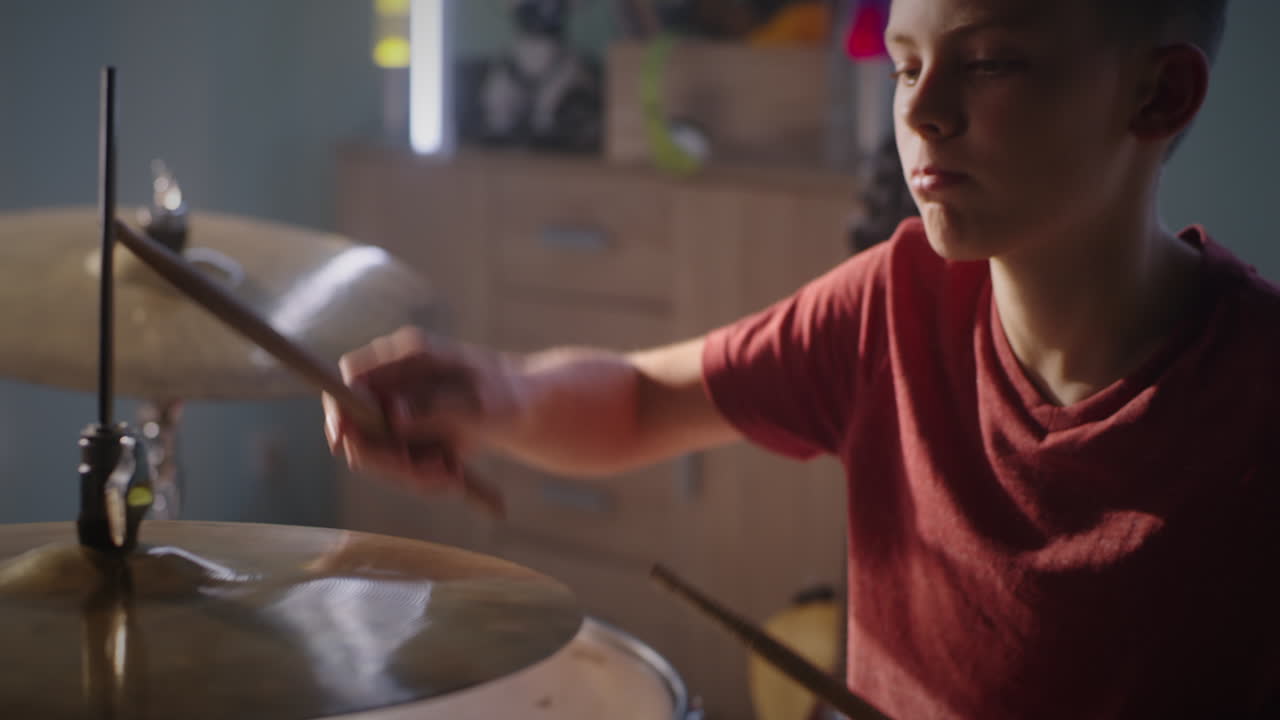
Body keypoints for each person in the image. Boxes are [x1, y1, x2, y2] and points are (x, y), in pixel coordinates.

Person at [324, 0, 1280, 717]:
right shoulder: (891, 304)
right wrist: (493, 392)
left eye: (989, 64)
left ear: (1159, 94)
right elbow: (643, 403)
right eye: (907, 67)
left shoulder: (1257, 394)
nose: (925, 112)